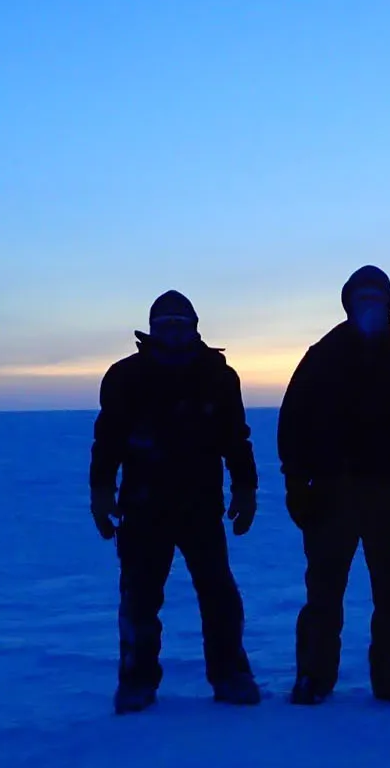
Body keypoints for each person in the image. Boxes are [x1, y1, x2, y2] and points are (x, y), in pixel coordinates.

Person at [277, 265, 390, 705]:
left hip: (389, 495)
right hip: (330, 493)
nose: (369, 307)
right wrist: (297, 483)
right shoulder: (323, 356)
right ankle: (313, 676)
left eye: (377, 299)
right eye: (362, 299)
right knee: (323, 592)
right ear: (348, 303)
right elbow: (293, 422)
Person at [89, 290, 262, 714]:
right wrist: (100, 491)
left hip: (201, 505)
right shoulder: (125, 377)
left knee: (219, 594)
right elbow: (107, 440)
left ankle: (230, 673)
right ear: (151, 329)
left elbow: (235, 438)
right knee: (139, 598)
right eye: (164, 324)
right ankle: (136, 680)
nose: (172, 332)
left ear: (195, 327)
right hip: (143, 506)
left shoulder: (218, 376)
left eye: (180, 324)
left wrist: (245, 487)